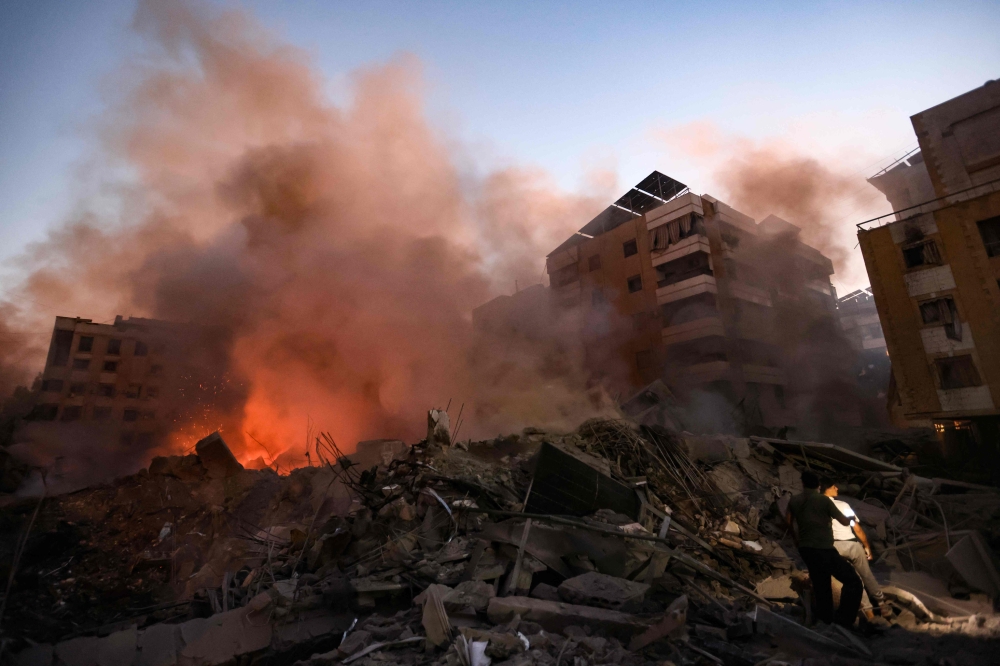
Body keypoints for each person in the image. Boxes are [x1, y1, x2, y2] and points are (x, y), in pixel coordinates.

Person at [785, 470, 863, 627]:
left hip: (806, 549)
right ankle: (844, 621)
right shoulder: (824, 501)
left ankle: (825, 620)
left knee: (822, 584)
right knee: (853, 581)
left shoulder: (794, 500)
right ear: (818, 486)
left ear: (803, 484)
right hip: (823, 548)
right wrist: (850, 518)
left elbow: (787, 522)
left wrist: (796, 540)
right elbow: (843, 521)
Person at [821, 477, 887, 615]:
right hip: (852, 545)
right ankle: (882, 604)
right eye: (834, 486)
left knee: (853, 579)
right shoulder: (843, 505)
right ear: (827, 488)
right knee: (867, 575)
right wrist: (866, 546)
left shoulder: (816, 508)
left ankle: (868, 611)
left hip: (834, 548)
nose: (837, 488)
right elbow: (856, 528)